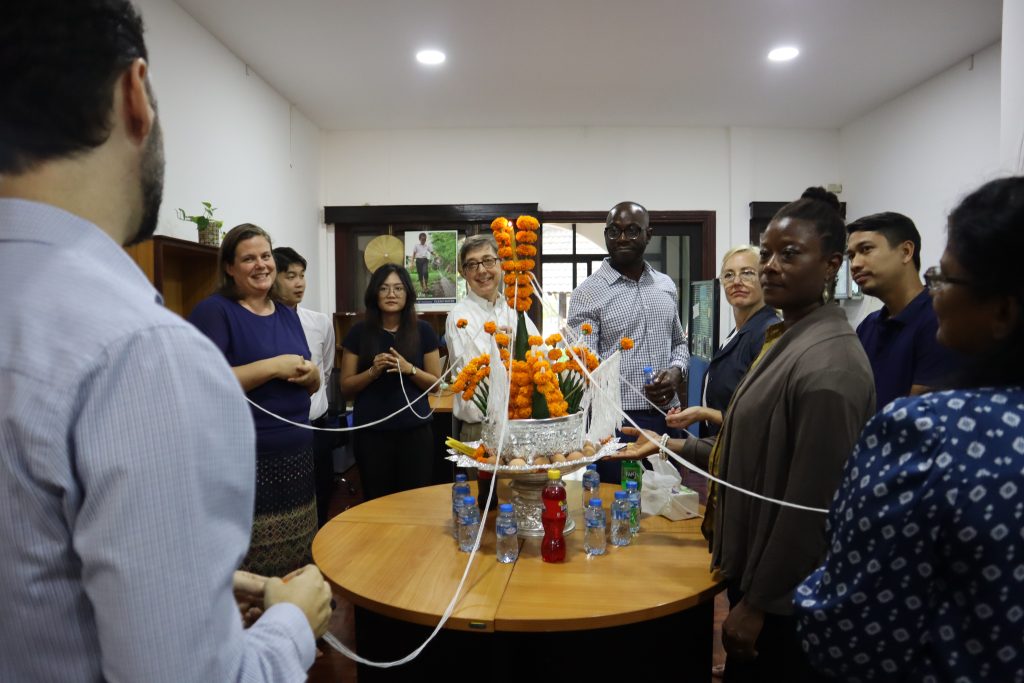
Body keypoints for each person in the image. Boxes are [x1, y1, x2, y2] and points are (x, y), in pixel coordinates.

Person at [0, 2, 330, 680]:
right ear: (134, 94)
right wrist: (292, 623)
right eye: (254, 258)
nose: (266, 268)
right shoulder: (140, 351)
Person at [625, 188, 875, 682]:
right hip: (753, 568)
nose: (770, 268)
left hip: (783, 596)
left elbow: (810, 506)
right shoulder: (786, 339)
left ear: (830, 266)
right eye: (766, 255)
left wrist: (760, 604)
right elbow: (752, 452)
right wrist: (671, 445)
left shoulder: (830, 366)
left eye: (790, 254)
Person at [796, 177, 1024, 682]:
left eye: (946, 278)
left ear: (1004, 310)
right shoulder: (868, 328)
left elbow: (849, 626)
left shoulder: (928, 434)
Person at [190, 224, 321, 577]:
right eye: (249, 258)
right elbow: (205, 381)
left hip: (296, 456)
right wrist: (273, 367)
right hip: (245, 461)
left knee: (298, 558)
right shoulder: (214, 312)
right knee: (252, 567)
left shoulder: (286, 313)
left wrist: (313, 376)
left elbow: (310, 379)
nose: (261, 265)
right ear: (229, 267)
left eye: (265, 256)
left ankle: (297, 619)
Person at [568, 200, 689, 482]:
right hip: (617, 424)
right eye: (614, 231)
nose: (622, 238)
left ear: (649, 234)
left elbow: (679, 343)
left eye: (633, 230)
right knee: (617, 507)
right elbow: (583, 368)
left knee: (669, 501)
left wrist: (676, 372)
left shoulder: (665, 285)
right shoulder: (587, 294)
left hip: (668, 419)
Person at [340, 264, 442, 500]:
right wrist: (372, 372)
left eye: (398, 288)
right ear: (374, 294)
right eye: (384, 288)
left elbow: (435, 384)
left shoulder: (424, 331)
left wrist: (409, 369)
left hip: (415, 433)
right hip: (372, 435)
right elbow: (345, 388)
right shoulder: (358, 332)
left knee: (416, 500)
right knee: (376, 501)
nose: (391, 294)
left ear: (408, 294)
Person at [847, 211, 961, 407]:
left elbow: (921, 415)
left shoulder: (939, 322)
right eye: (851, 255)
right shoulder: (867, 326)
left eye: (866, 249)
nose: (855, 264)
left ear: (906, 251)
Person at [668, 244, 779, 439]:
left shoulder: (769, 333)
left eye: (747, 273)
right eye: (728, 275)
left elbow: (764, 416)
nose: (736, 281)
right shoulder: (738, 332)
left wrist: (702, 413)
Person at [445, 233, 539, 443]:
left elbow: (540, 359)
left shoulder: (515, 309)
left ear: (501, 264)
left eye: (488, 261)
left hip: (522, 422)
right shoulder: (459, 316)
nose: (482, 271)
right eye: (472, 265)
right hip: (482, 428)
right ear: (463, 273)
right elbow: (474, 372)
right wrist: (503, 349)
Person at [274, 246, 337, 527]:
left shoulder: (319, 322)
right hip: (283, 428)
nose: (299, 283)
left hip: (318, 424)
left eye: (302, 275)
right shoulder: (264, 322)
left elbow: (325, 367)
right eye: (290, 276)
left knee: (321, 492)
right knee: (285, 502)